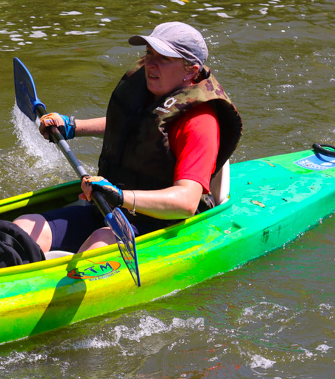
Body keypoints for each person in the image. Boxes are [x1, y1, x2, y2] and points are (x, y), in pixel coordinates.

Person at [14, 21, 242, 254]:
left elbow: (186, 202)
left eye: (163, 58)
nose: (150, 64)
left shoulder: (200, 122)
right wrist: (72, 126)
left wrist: (121, 196)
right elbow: (131, 125)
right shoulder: (152, 89)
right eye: (149, 53)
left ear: (190, 71)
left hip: (162, 225)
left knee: (99, 243)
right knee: (24, 226)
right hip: (110, 209)